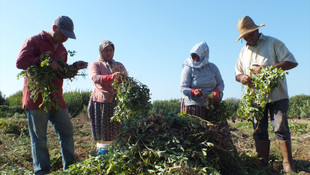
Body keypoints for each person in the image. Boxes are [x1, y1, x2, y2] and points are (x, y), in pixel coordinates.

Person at [16, 16, 88, 174]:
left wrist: (74, 67)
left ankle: (71, 169)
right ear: (55, 28)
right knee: (40, 139)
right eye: (64, 34)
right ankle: (42, 171)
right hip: (37, 100)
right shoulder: (34, 41)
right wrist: (46, 62)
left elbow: (61, 73)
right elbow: (20, 62)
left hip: (56, 98)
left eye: (68, 36)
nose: (66, 39)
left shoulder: (62, 50)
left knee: (67, 132)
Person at [235, 16, 298, 173]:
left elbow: (292, 62)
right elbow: (237, 73)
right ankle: (263, 164)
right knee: (259, 130)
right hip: (256, 99)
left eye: (249, 34)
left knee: (281, 128)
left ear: (257, 30)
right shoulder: (243, 51)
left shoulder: (273, 43)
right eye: (244, 37)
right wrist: (242, 78)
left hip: (277, 95)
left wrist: (268, 69)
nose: (248, 38)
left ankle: (288, 164)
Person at [88, 40, 127, 145]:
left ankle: (115, 149)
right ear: (101, 51)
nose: (109, 53)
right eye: (106, 50)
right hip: (101, 101)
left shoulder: (118, 65)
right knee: (103, 129)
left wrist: (123, 78)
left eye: (111, 50)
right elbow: (95, 77)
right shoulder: (96, 64)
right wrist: (111, 77)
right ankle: (103, 151)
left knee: (117, 128)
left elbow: (126, 78)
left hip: (116, 101)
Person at [180, 41, 224, 119]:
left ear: (204, 56)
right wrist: (193, 92)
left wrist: (217, 92)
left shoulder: (212, 67)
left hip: (211, 105)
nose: (196, 59)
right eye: (194, 56)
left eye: (198, 57)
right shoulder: (188, 68)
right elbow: (183, 88)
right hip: (193, 107)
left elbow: (221, 83)